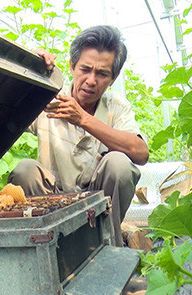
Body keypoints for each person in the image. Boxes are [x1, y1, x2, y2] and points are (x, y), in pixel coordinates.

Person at [8, 25, 149, 246]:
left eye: (102, 74)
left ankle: (108, 245)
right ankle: (44, 244)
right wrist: (28, 68)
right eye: (85, 69)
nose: (91, 80)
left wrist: (83, 118)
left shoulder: (115, 106)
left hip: (100, 208)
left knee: (119, 164)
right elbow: (5, 111)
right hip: (51, 202)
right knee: (25, 170)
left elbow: (140, 153)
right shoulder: (49, 98)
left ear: (113, 78)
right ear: (72, 66)